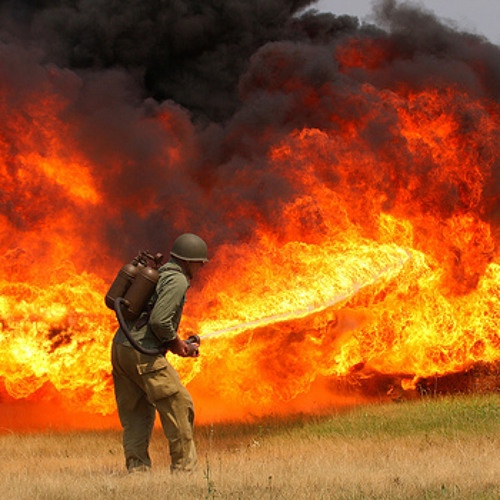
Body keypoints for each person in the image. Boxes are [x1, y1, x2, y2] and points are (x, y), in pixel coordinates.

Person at [111, 233, 208, 474]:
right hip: (143, 354)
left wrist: (176, 343)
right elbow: (160, 322)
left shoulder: (161, 272)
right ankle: (184, 470)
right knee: (179, 405)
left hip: (121, 348)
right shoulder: (177, 280)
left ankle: (138, 470)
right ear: (188, 261)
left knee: (136, 414)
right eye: (199, 262)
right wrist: (177, 344)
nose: (201, 266)